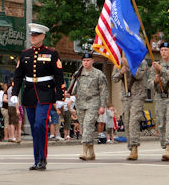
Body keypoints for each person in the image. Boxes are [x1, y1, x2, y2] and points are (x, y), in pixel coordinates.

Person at [11, 23, 66, 171]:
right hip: (29, 93)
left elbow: (59, 77)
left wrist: (60, 97)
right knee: (35, 129)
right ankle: (38, 160)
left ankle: (42, 157)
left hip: (46, 93)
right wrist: (14, 93)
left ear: (43, 36)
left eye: (36, 35)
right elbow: (18, 76)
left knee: (39, 124)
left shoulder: (51, 53)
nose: (33, 37)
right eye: (31, 35)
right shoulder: (25, 54)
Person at [71, 52, 108, 160]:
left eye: (88, 60)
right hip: (80, 103)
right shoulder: (78, 73)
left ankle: (84, 151)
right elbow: (73, 89)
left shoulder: (98, 74)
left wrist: (102, 106)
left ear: (92, 61)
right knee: (84, 127)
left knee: (88, 125)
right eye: (84, 61)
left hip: (93, 102)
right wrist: (69, 94)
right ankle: (91, 152)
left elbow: (104, 91)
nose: (86, 63)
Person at [112, 56, 148, 160]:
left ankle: (134, 148)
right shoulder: (119, 62)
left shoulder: (142, 61)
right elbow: (114, 78)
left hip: (138, 95)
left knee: (133, 120)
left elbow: (139, 75)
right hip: (125, 96)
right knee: (127, 121)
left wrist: (128, 65)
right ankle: (130, 146)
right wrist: (121, 72)